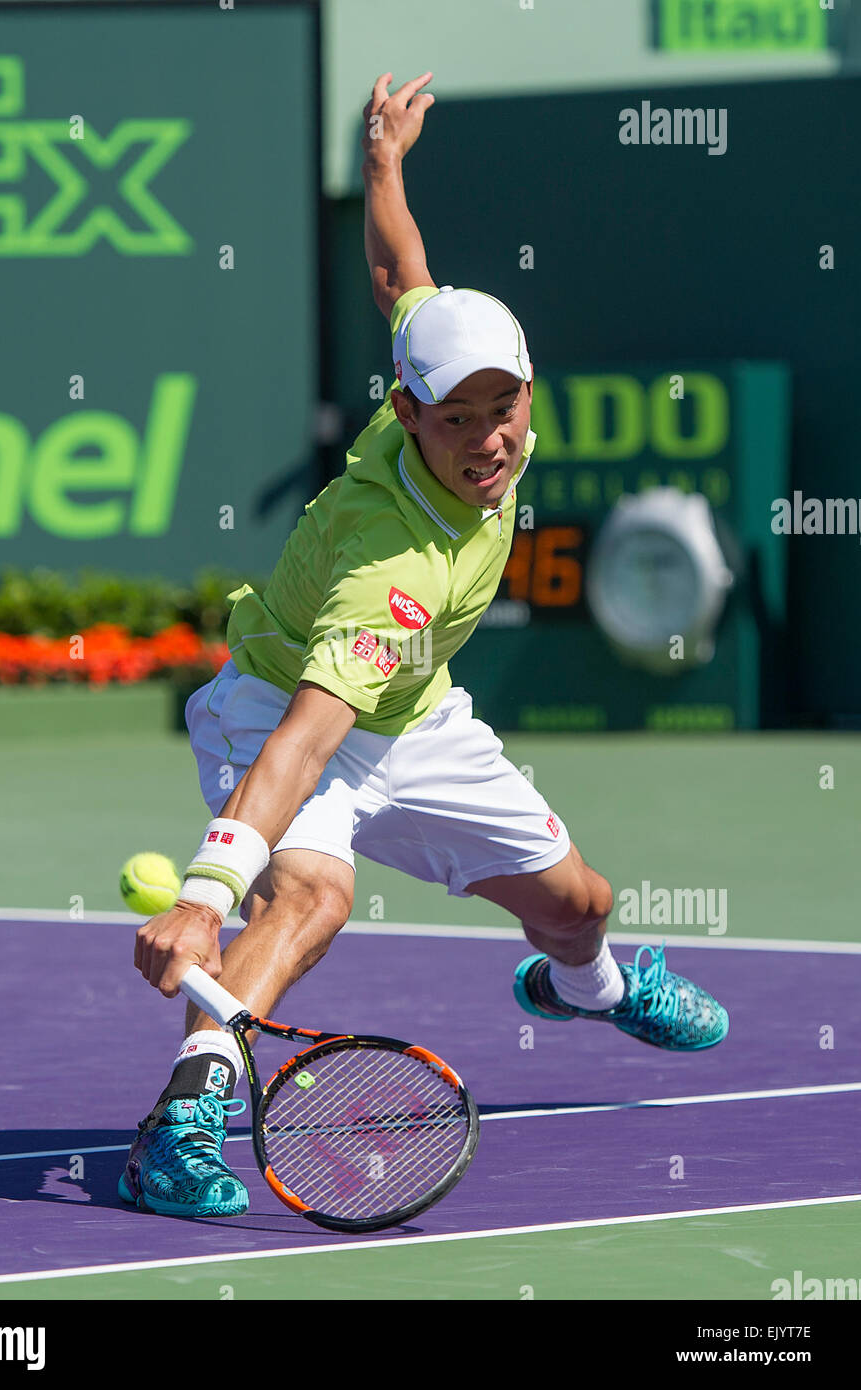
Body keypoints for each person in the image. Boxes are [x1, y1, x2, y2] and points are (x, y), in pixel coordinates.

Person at [119, 72, 728, 1219]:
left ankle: (585, 988)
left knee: (581, 903)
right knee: (305, 900)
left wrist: (386, 164)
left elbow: (403, 274)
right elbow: (302, 747)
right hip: (286, 703)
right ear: (404, 413)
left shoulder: (454, 369)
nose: (489, 439)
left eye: (503, 407)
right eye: (456, 417)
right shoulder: (385, 569)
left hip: (415, 712)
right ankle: (181, 1123)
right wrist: (207, 892)